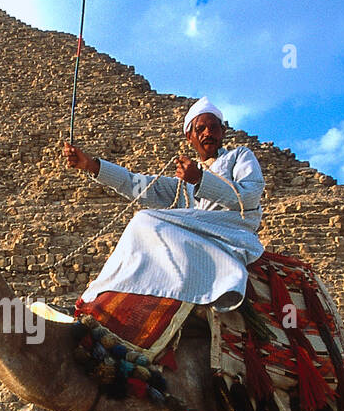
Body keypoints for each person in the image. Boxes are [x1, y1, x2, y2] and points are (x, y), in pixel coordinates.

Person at [63, 97, 265, 312]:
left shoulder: (239, 156)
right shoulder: (182, 184)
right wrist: (91, 166)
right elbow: (135, 183)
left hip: (230, 235)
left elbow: (250, 196)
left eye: (214, 127)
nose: (208, 133)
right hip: (196, 236)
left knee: (145, 219)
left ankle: (94, 298)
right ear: (189, 137)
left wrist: (200, 179)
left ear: (223, 132)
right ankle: (98, 299)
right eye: (201, 129)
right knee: (148, 231)